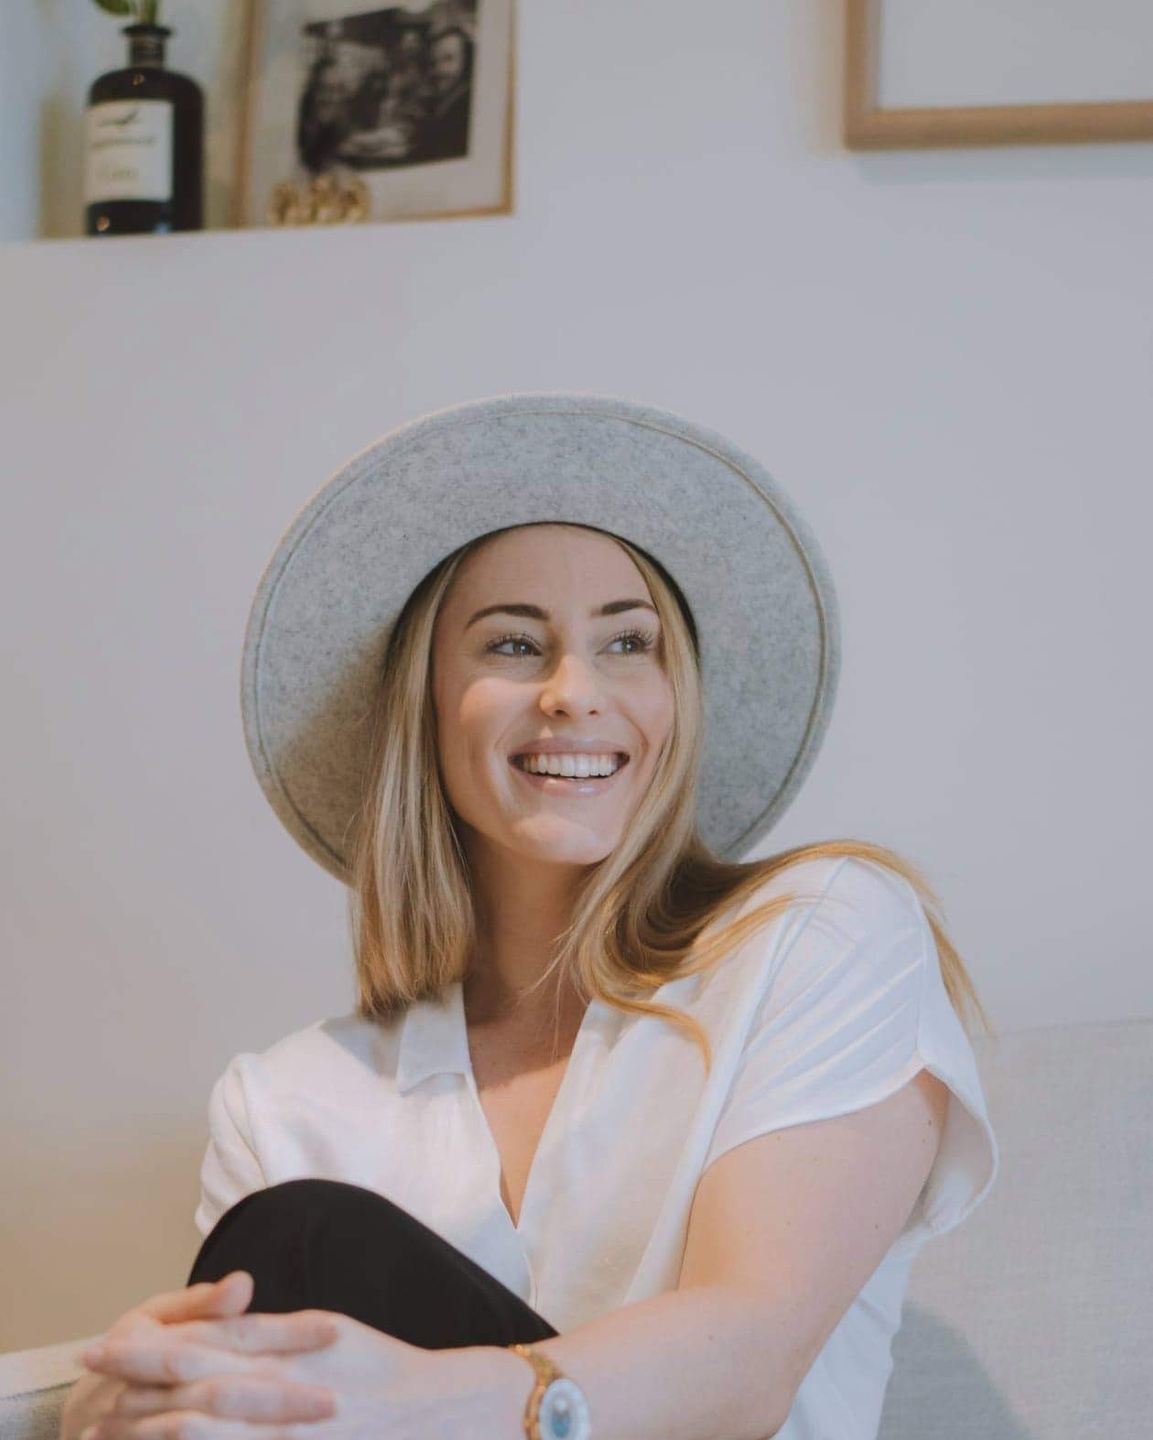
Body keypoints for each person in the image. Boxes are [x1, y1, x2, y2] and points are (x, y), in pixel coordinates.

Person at [61, 394, 1000, 1440]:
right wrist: (124, 1397)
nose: (572, 692)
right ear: (423, 702)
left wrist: (416, 1403)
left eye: (628, 642)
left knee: (305, 1234)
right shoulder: (288, 1101)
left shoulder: (817, 934)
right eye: (512, 645)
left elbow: (747, 1358)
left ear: (676, 697)